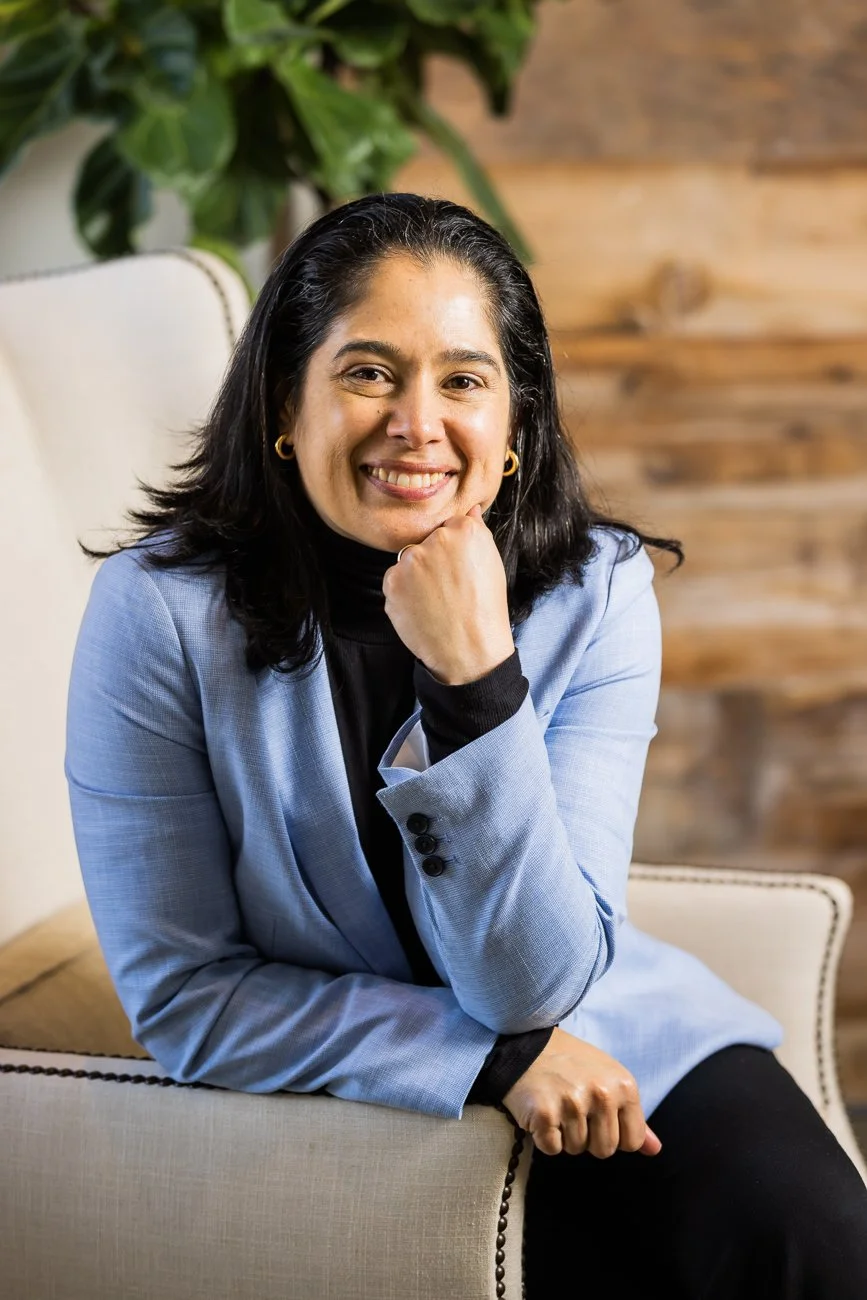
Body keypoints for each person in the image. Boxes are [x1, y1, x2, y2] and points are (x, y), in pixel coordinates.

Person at [65, 193, 867, 1297]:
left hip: (608, 1031)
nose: (416, 422)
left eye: (463, 379)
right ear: (282, 412)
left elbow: (538, 980)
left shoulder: (601, 591)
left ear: (516, 431)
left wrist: (474, 680)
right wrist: (492, 1059)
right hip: (344, 1080)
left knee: (817, 1242)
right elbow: (186, 996)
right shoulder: (154, 615)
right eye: (367, 373)